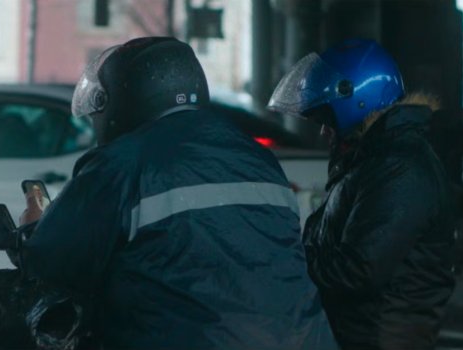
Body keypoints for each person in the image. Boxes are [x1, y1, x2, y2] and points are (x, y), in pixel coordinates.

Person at [17, 37, 336, 349]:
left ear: (123, 97)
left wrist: (34, 228)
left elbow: (50, 264)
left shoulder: (121, 163)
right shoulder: (259, 158)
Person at [267, 39, 455, 349]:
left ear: (356, 101)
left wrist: (286, 259)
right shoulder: (373, 160)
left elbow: (358, 269)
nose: (324, 132)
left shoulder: (400, 167)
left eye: (327, 120)